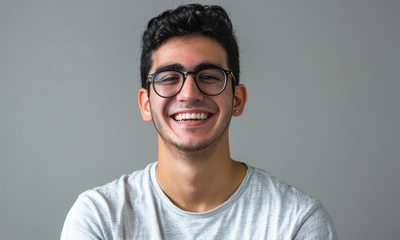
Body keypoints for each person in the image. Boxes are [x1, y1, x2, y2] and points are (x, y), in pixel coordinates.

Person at [60, 4, 337, 239]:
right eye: (169, 78)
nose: (189, 94)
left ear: (238, 100)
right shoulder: (100, 218)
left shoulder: (295, 222)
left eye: (208, 76)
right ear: (146, 104)